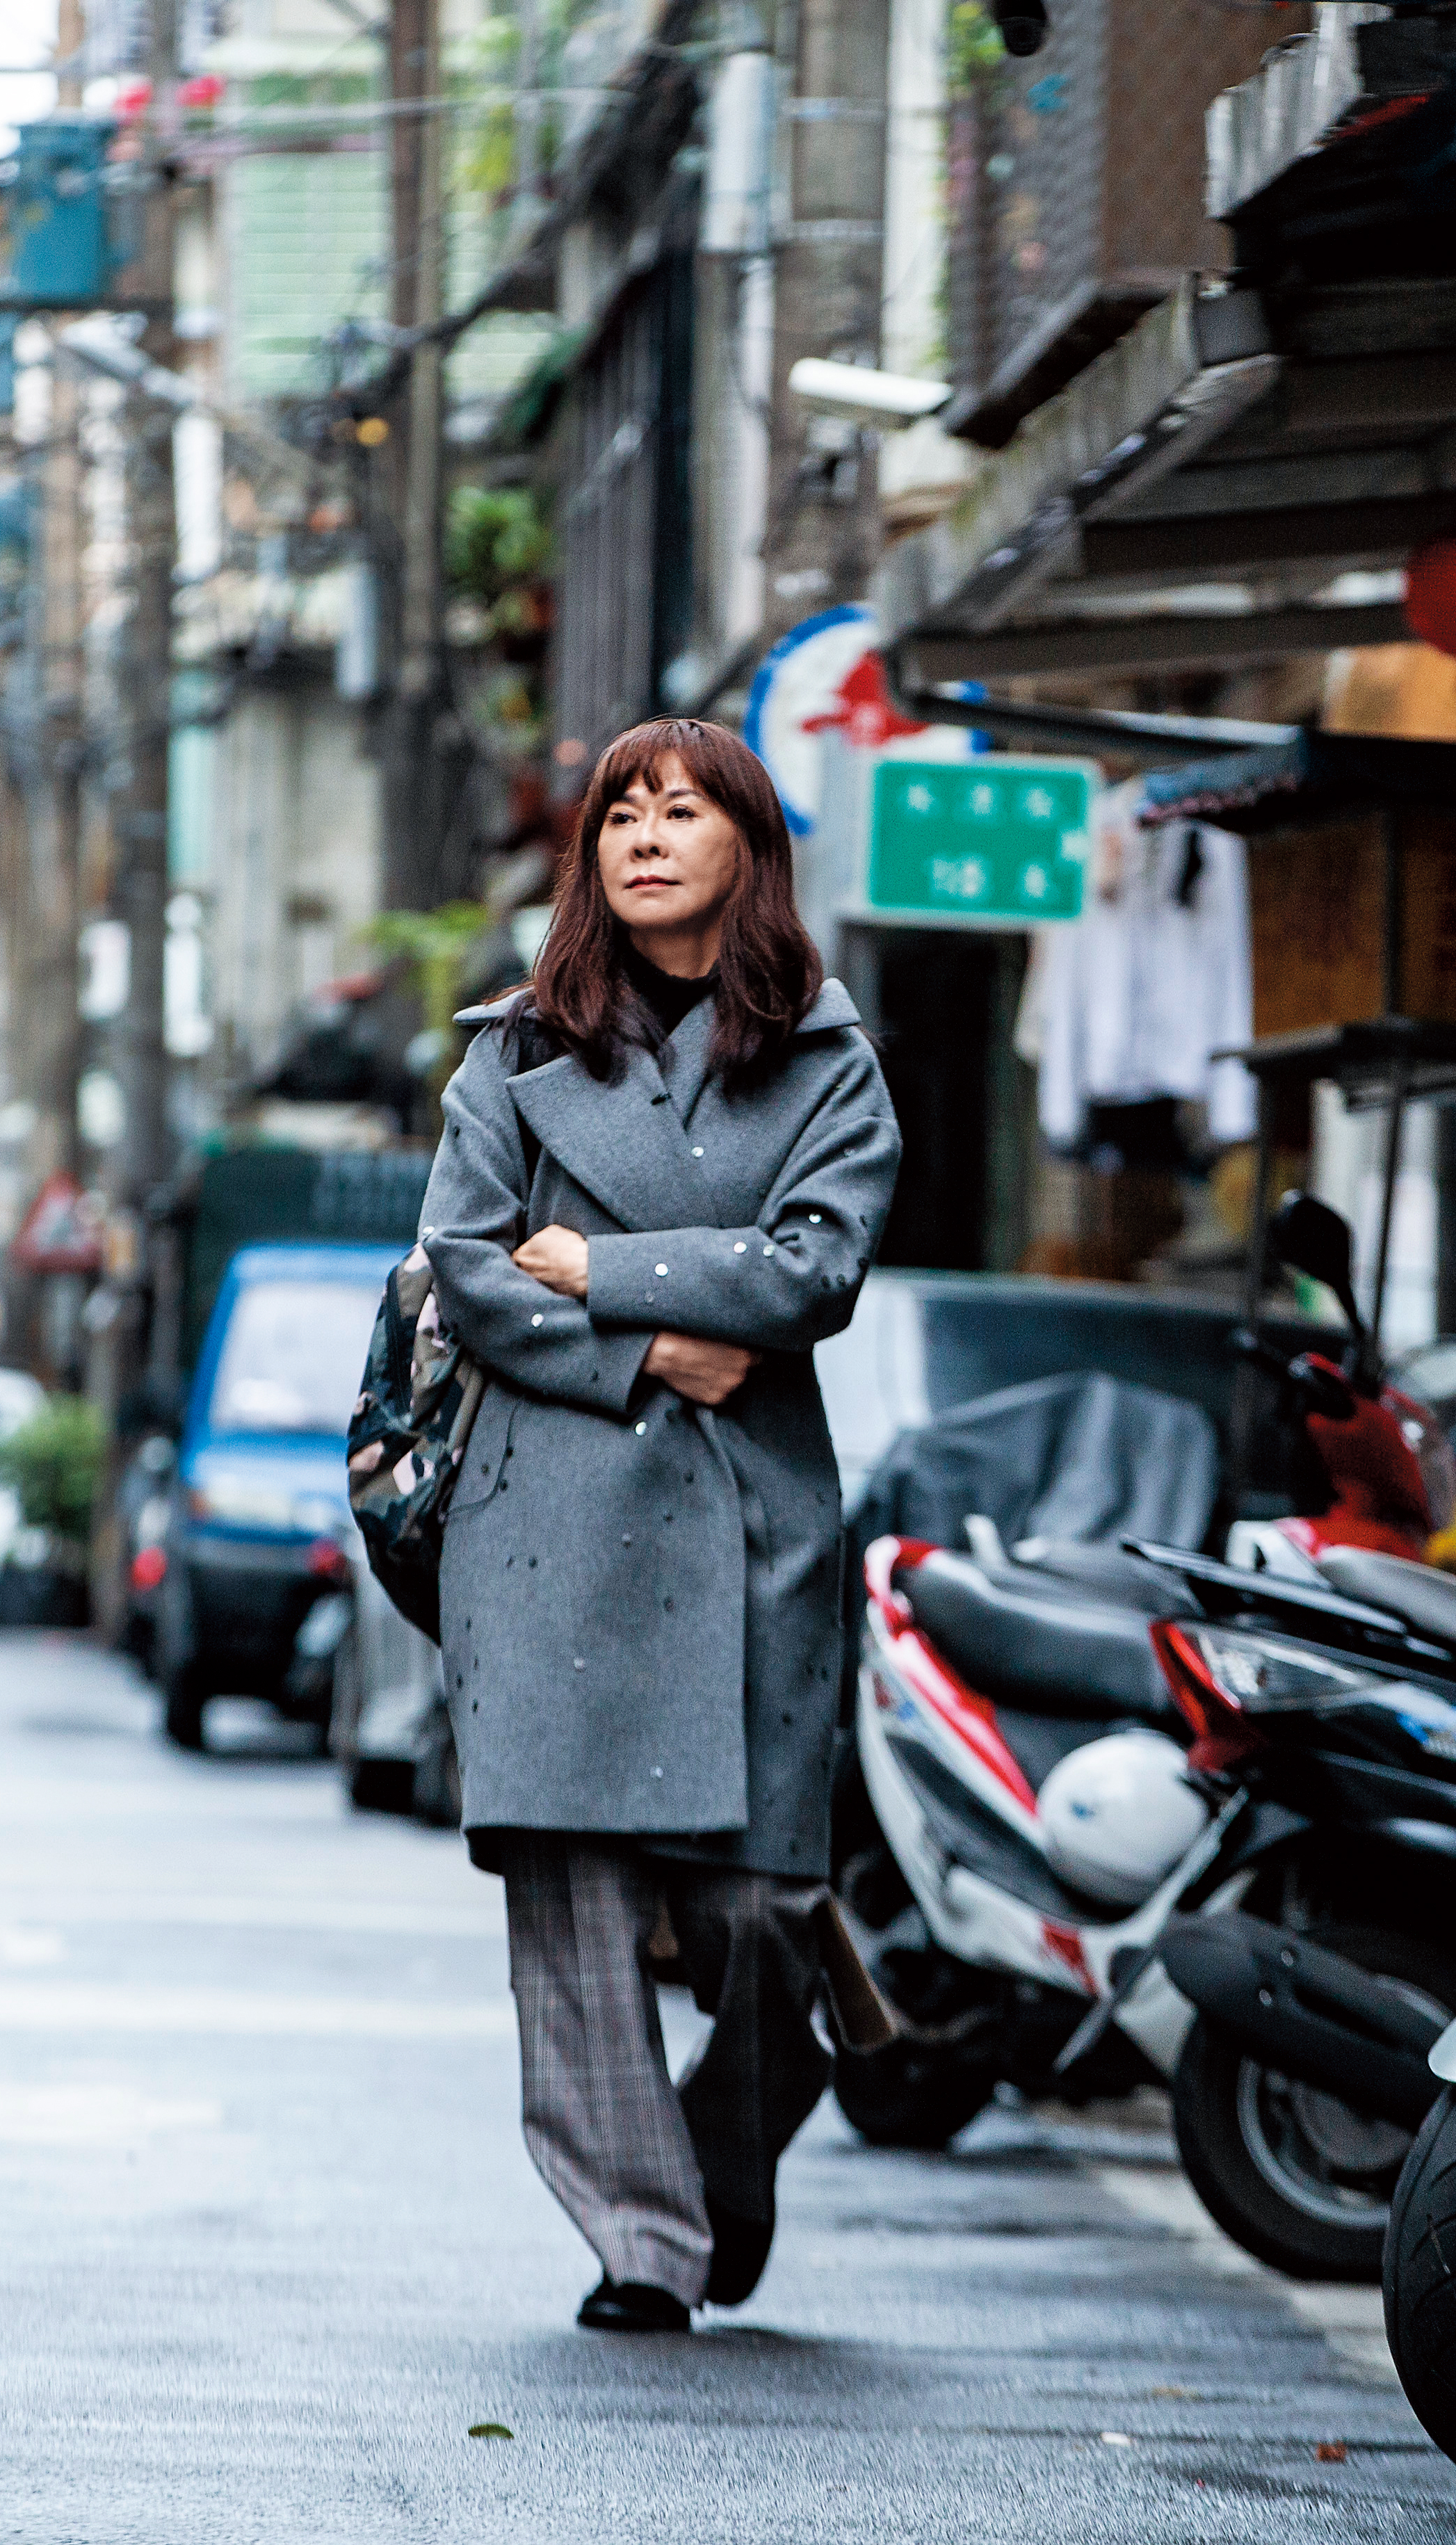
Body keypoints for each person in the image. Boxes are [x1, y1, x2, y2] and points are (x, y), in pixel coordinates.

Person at [419, 716, 903, 2334]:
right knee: (565, 1900)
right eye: (618, 811)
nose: (640, 835)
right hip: (545, 1520)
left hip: (751, 1519)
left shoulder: (827, 1058)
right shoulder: (514, 1047)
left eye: (680, 809)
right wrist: (660, 1343)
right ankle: (641, 2239)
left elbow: (813, 1272)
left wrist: (600, 1265)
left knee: (764, 1904)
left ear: (746, 848)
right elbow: (470, 1264)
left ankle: (718, 2158)